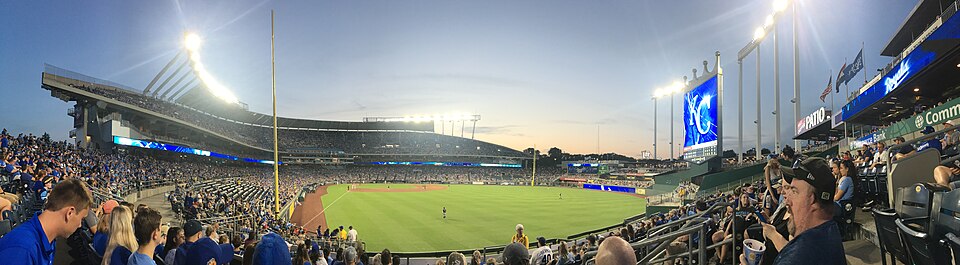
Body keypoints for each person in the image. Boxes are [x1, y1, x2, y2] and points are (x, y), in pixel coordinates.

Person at [743, 157, 846, 265]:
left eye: (794, 191)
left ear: (812, 199)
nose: (787, 200)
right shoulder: (830, 231)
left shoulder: (797, 257)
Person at [0, 178, 93, 265]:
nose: (80, 225)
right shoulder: (22, 250)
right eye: (81, 219)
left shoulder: (49, 239)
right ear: (70, 213)